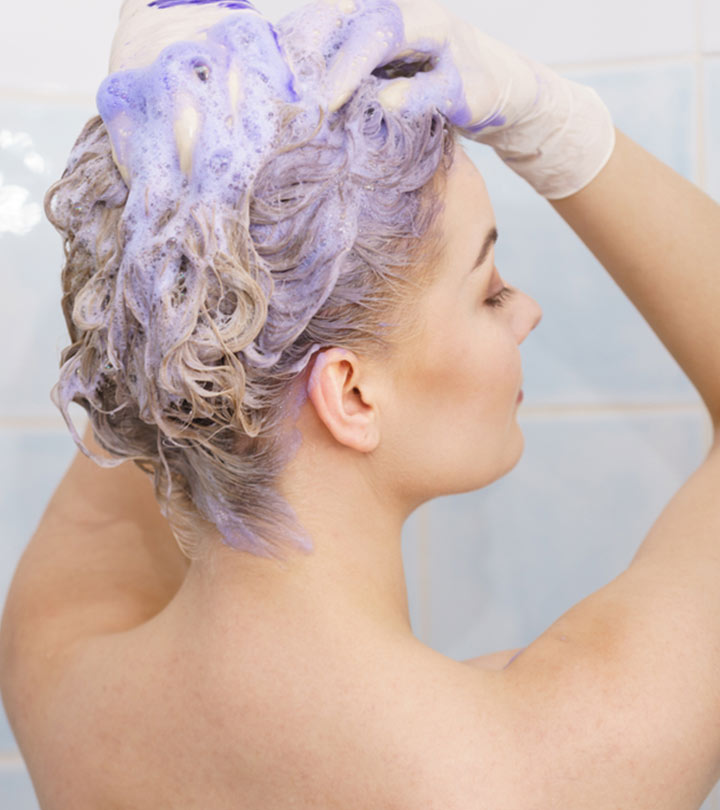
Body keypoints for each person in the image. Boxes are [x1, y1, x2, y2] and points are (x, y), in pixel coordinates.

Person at [1, 0, 719, 807]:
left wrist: (185, 212)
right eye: (488, 291)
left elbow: (175, 378)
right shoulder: (541, 765)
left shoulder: (62, 674)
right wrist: (553, 123)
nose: (526, 312)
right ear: (348, 393)